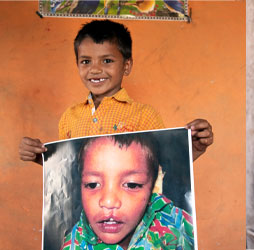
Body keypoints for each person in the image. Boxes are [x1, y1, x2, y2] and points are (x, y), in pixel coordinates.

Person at [18, 19, 213, 165]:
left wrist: (194, 149)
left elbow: (162, 167)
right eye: (86, 61)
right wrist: (39, 157)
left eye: (107, 61)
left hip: (128, 215)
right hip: (85, 215)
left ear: (126, 66)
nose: (95, 69)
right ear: (77, 64)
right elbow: (67, 170)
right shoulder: (69, 117)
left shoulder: (144, 116)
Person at [61, 134, 194, 250]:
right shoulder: (73, 245)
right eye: (92, 184)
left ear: (152, 188)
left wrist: (190, 145)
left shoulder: (175, 221)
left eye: (131, 185)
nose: (109, 202)